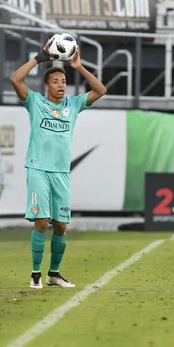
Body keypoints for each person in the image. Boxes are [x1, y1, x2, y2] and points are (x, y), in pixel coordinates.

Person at [9, 41, 107, 289]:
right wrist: (39, 58)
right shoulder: (35, 102)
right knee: (41, 222)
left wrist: (79, 66)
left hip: (61, 172)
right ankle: (35, 275)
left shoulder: (72, 106)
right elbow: (15, 79)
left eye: (63, 82)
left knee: (61, 225)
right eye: (55, 82)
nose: (61, 85)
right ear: (46, 86)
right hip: (38, 169)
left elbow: (101, 90)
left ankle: (54, 274)